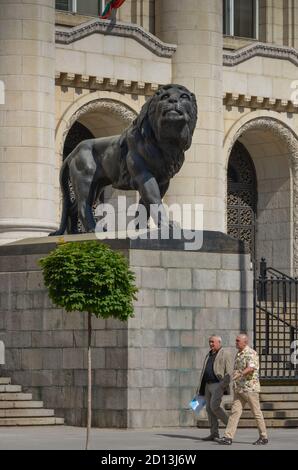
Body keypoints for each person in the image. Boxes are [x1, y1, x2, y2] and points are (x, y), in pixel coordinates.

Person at [216, 334, 268, 446]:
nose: (236, 342)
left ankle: (263, 437)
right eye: (236, 340)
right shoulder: (239, 353)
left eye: (238, 341)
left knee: (256, 413)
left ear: (245, 342)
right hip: (239, 388)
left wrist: (240, 374)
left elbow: (251, 367)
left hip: (250, 389)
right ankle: (228, 437)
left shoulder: (251, 353)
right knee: (235, 413)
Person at [197, 335, 233, 441]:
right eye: (210, 342)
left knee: (214, 406)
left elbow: (229, 372)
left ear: (219, 342)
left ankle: (231, 426)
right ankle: (214, 433)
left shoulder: (225, 353)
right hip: (207, 385)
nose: (211, 344)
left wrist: (223, 385)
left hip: (218, 384)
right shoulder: (209, 354)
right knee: (208, 408)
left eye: (213, 342)